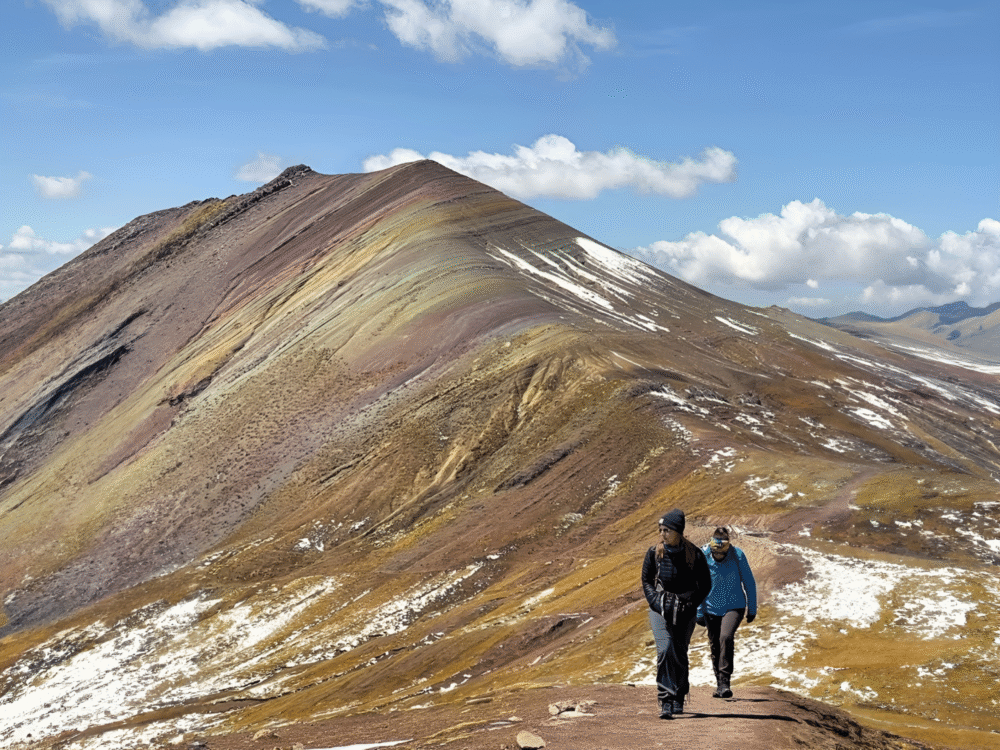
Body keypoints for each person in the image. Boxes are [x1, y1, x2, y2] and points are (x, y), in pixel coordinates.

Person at [641, 508, 712, 719]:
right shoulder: (654, 553)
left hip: (685, 609)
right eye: (660, 529)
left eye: (667, 530)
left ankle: (679, 696)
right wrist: (655, 601)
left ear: (678, 532)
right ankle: (665, 699)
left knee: (679, 652)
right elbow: (646, 580)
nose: (662, 534)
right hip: (660, 607)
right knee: (664, 649)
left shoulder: (695, 554)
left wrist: (691, 604)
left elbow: (705, 584)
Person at [696, 526, 757, 699]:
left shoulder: (738, 555)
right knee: (715, 644)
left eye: (722, 553)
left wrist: (752, 608)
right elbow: (698, 585)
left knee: (725, 637)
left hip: (734, 606)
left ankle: (725, 682)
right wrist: (699, 611)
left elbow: (749, 582)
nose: (719, 557)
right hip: (710, 607)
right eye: (716, 554)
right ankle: (719, 684)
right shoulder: (704, 555)